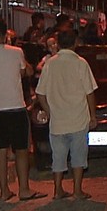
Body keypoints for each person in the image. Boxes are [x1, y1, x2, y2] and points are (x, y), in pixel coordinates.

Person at [0, 17, 44, 201]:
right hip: (15, 106)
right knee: (21, 149)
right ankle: (24, 189)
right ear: (6, 33)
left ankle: (4, 190)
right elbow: (26, 71)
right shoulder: (16, 52)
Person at [36, 30, 98, 200]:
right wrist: (92, 115)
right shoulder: (81, 63)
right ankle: (77, 190)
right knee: (78, 156)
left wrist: (49, 111)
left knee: (58, 157)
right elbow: (89, 92)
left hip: (58, 120)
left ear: (58, 43)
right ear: (75, 43)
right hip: (78, 118)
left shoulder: (50, 64)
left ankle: (58, 190)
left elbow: (40, 93)